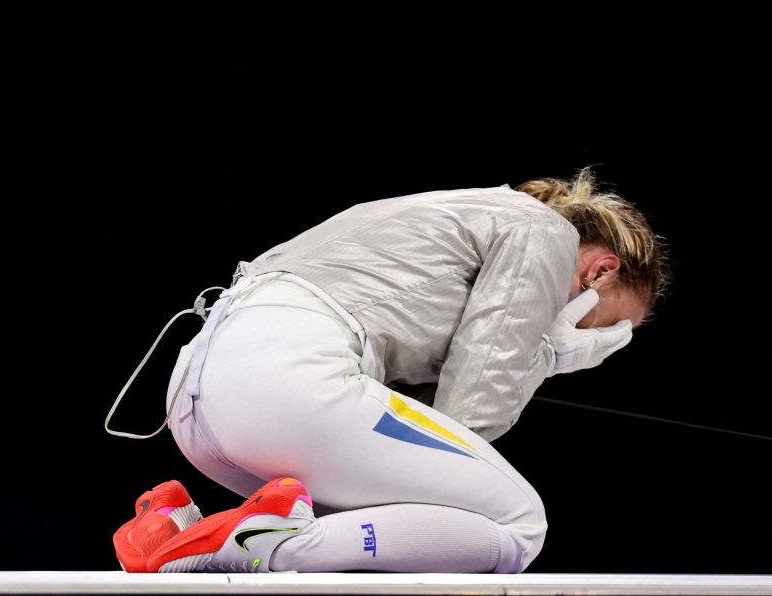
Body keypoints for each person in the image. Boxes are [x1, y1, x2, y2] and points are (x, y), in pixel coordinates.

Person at [108, 167, 670, 574]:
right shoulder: (546, 232)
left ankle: (175, 528)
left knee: (371, 523)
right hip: (287, 381)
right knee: (519, 523)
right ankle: (268, 548)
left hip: (196, 403)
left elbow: (411, 414)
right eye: (603, 324)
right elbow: (476, 399)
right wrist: (547, 356)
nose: (589, 340)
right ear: (600, 271)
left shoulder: (451, 210)